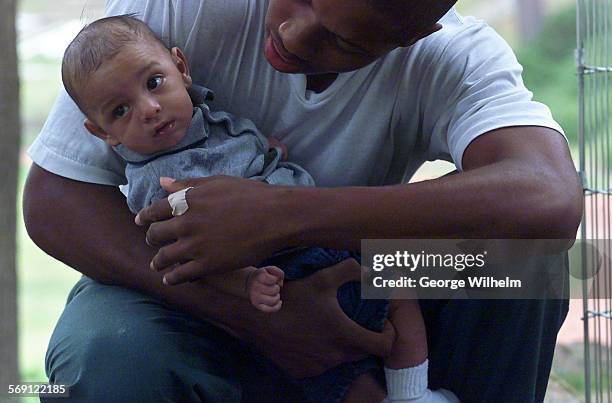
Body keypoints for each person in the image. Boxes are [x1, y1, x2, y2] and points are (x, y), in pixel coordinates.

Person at [24, 0, 582, 402]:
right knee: (107, 352)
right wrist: (259, 316)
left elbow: (548, 197)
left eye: (344, 41)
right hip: (186, 283)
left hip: (347, 273)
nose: (291, 33)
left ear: (414, 31)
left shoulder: (452, 57)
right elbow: (53, 199)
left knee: (524, 265)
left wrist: (283, 216)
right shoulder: (189, 8)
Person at [58, 15, 457, 402]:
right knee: (341, 377)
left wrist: (270, 157)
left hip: (327, 242)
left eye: (154, 83)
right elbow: (182, 258)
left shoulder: (207, 119)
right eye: (120, 111)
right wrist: (245, 284)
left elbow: (520, 200)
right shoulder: (158, 181)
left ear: (181, 68)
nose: (148, 108)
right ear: (102, 133)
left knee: (479, 271)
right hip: (279, 273)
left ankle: (413, 393)